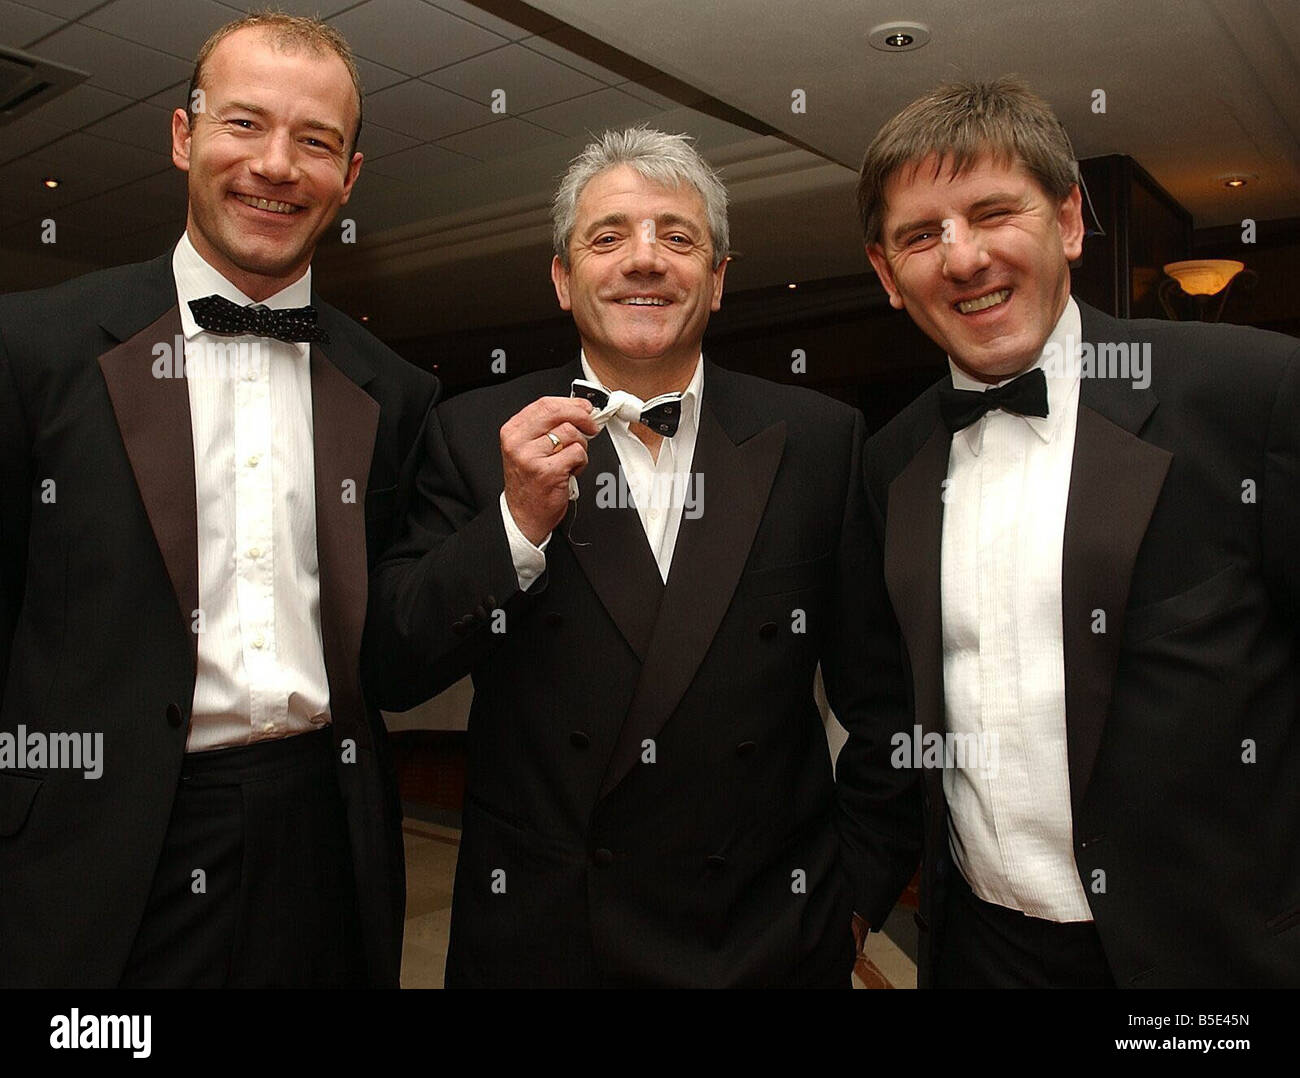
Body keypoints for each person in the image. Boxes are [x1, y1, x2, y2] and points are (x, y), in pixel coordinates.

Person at [366, 127, 920, 987]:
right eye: (608, 236)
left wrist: (850, 902)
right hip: (549, 943)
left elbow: (885, 704)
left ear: (719, 277)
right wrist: (514, 523)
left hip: (765, 940)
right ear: (562, 277)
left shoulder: (818, 440)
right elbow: (395, 662)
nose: (645, 260)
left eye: (678, 236)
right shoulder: (473, 434)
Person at [0, 13, 436, 987]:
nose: (277, 165)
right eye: (244, 124)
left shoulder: (393, 390)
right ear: (182, 136)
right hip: (95, 844)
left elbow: (390, 647)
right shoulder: (33, 349)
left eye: (315, 141)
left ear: (349, 177)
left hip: (321, 837)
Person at [858, 76, 1299, 987]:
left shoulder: (1249, 393)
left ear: (1068, 221)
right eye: (920, 235)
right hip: (983, 951)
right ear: (886, 274)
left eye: (992, 213)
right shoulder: (889, 463)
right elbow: (895, 721)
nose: (963, 258)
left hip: (1207, 957)